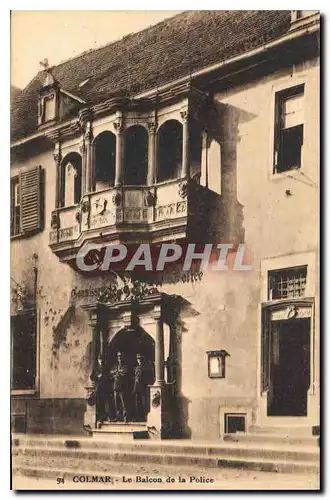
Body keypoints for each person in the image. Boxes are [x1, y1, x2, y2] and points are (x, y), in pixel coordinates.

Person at [132, 353, 154, 421]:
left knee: (144, 402)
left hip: (143, 387)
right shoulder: (137, 368)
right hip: (137, 387)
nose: (139, 360)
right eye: (138, 359)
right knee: (137, 403)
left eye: (141, 359)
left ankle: (145, 416)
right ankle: (138, 417)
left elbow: (149, 378)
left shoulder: (146, 368)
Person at [110, 351, 129, 423]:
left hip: (122, 387)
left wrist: (116, 372)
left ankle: (125, 417)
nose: (119, 358)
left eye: (120, 356)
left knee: (123, 402)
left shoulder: (125, 365)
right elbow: (111, 373)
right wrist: (117, 372)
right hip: (115, 386)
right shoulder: (115, 365)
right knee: (116, 403)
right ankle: (118, 417)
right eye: (118, 356)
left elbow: (124, 373)